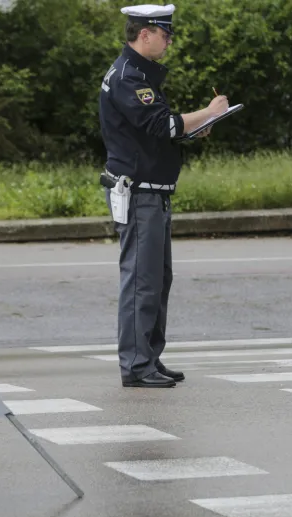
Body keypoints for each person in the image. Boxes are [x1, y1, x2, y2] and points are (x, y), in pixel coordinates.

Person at [98, 3, 229, 388]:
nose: (169, 40)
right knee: (142, 280)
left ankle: (149, 357)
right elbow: (163, 123)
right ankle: (137, 365)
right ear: (144, 34)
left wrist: (191, 129)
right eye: (164, 33)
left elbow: (155, 131)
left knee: (157, 278)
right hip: (139, 193)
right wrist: (206, 112)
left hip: (151, 191)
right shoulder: (128, 77)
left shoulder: (138, 73)